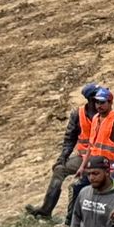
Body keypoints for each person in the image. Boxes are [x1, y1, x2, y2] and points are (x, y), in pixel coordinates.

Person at [26, 83, 99, 219]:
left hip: (101, 158)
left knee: (79, 185)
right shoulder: (78, 114)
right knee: (59, 170)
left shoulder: (106, 113)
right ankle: (46, 210)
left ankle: (72, 219)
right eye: (97, 96)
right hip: (83, 156)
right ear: (91, 99)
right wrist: (63, 156)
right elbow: (70, 138)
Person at [64, 87, 114, 226]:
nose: (99, 105)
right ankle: (71, 222)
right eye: (97, 102)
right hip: (94, 165)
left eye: (102, 102)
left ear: (110, 103)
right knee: (77, 189)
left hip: (110, 169)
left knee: (108, 197)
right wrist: (83, 166)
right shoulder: (96, 118)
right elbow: (91, 144)